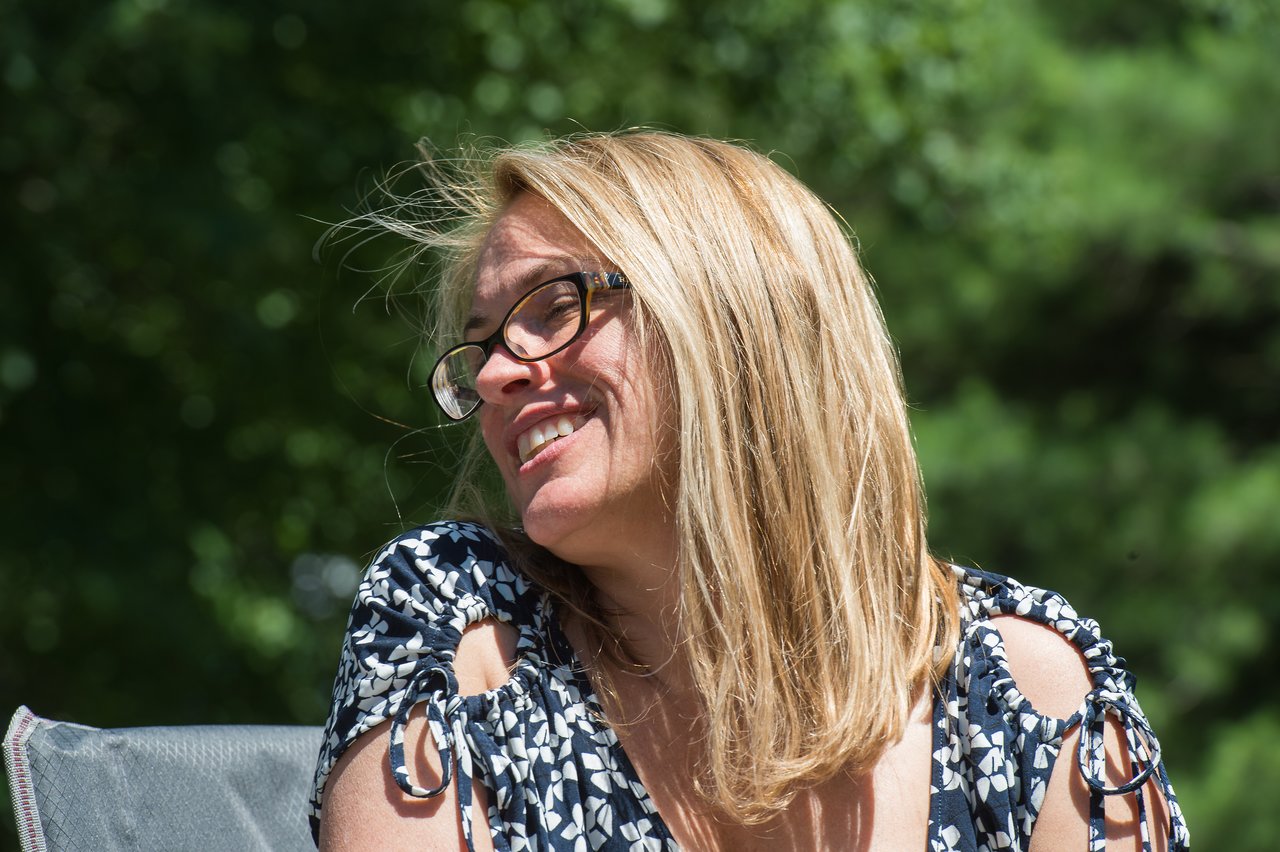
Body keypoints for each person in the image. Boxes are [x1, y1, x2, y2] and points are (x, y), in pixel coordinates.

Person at [308, 132, 1190, 851]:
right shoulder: (461, 627)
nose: (496, 373)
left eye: (555, 307)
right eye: (483, 344)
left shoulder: (1023, 688)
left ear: (732, 323)